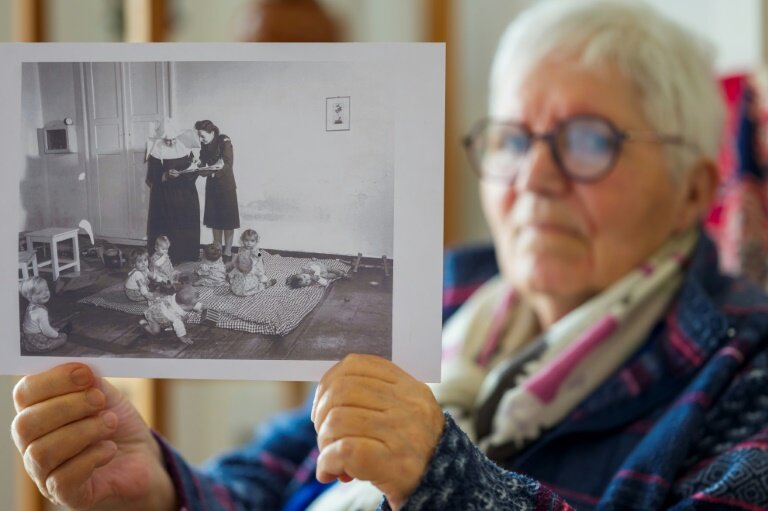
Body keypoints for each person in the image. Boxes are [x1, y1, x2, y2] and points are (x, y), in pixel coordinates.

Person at [10, 1, 768, 510]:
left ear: (689, 186)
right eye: (511, 139)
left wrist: (448, 481)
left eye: (589, 141)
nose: (533, 177)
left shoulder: (745, 365)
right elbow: (275, 474)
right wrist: (162, 487)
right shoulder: (448, 294)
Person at [146, 118, 201, 264]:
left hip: (186, 193)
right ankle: (168, 258)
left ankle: (187, 255)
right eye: (167, 140)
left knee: (185, 224)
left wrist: (187, 172)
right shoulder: (156, 150)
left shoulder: (184, 148)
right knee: (167, 225)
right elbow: (151, 176)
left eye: (173, 139)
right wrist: (165, 175)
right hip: (164, 196)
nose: (170, 143)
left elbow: (193, 170)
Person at [195, 120, 240, 262]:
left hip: (226, 187)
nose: (201, 139)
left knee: (228, 221)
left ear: (212, 132)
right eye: (199, 136)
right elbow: (203, 162)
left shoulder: (224, 141)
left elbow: (228, 164)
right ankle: (217, 251)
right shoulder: (204, 144)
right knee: (215, 221)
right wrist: (198, 165)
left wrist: (212, 172)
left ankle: (227, 252)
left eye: (203, 136)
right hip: (212, 187)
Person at [18, 277, 67, 353]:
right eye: (39, 293)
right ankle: (33, 347)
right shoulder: (40, 312)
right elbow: (46, 330)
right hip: (36, 337)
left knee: (54, 329)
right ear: (29, 297)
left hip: (28, 334)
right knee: (63, 338)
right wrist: (57, 335)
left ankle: (25, 342)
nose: (45, 293)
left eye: (46, 289)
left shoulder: (31, 305)